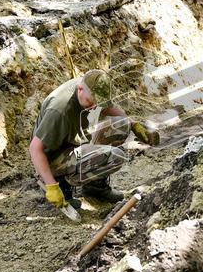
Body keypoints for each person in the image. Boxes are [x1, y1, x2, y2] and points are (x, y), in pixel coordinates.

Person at [29, 69, 130, 206]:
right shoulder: (59, 110)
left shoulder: (91, 89)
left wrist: (133, 124)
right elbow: (35, 149)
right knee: (115, 156)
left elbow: (107, 108)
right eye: (91, 103)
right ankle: (61, 182)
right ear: (80, 89)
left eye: (98, 104)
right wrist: (52, 186)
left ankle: (95, 188)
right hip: (51, 156)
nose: (95, 108)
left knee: (122, 125)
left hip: (74, 142)